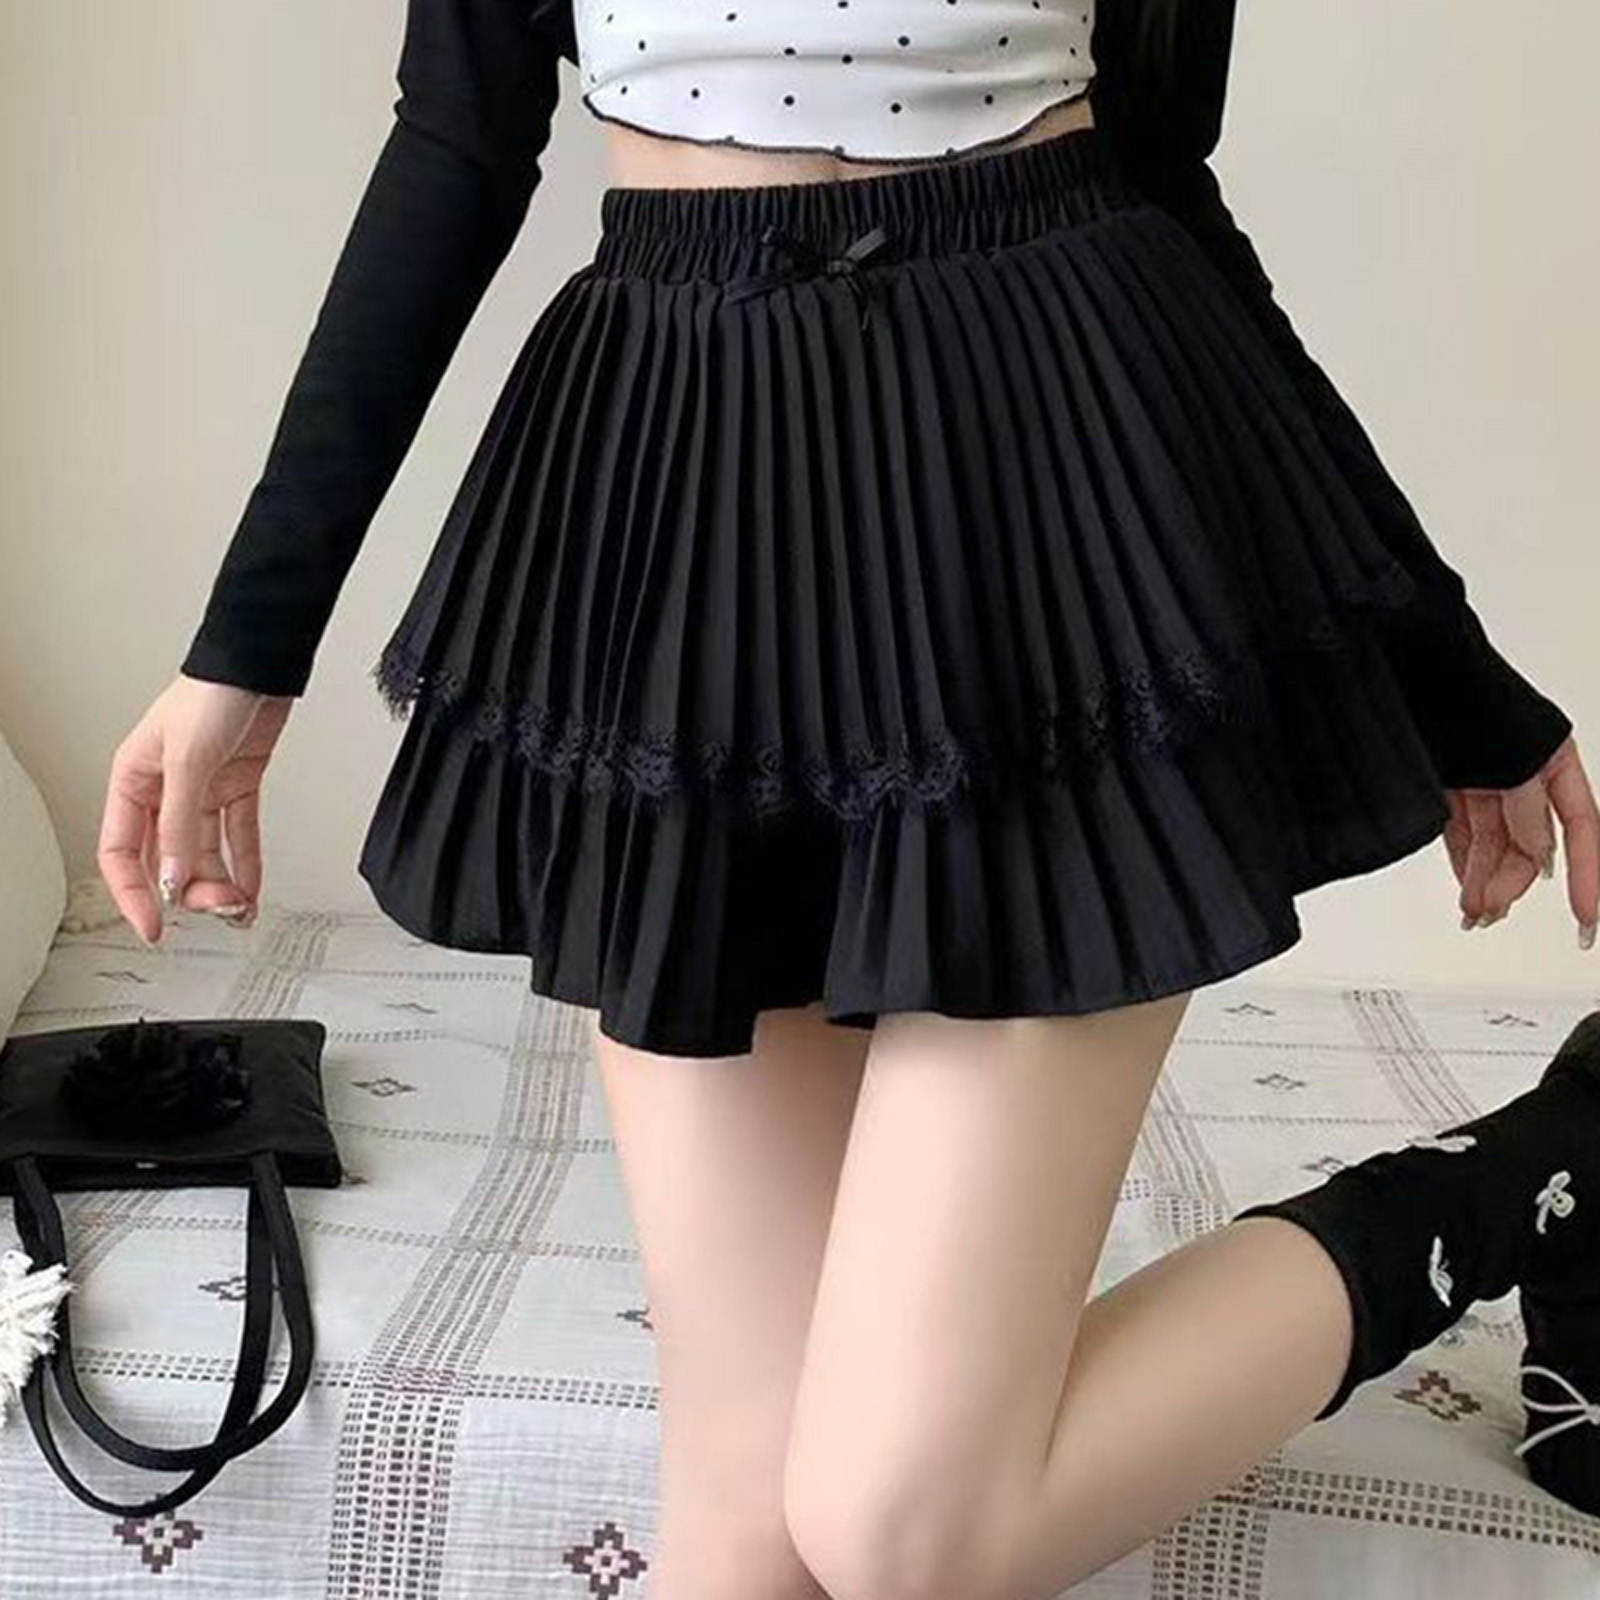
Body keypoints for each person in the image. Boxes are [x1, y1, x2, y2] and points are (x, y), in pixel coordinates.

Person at [97, 2, 1600, 1593]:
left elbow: (1161, 171)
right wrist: (245, 647)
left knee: (903, 1526)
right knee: (750, 1535)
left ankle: (1540, 1167)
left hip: (1041, 525)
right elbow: (456, 145)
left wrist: (1454, 677)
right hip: (691, 515)